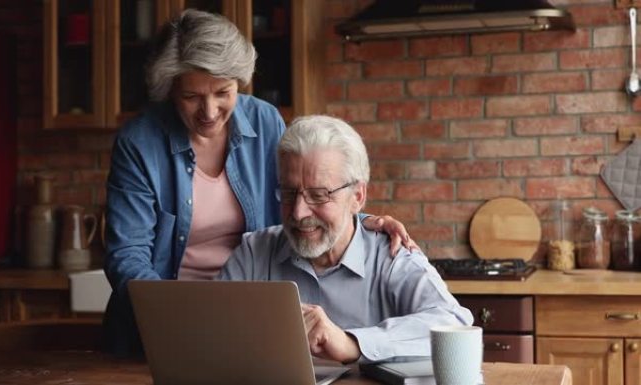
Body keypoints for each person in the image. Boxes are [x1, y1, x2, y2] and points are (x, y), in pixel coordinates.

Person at [103, 9, 415, 356]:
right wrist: (183, 316)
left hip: (251, 321)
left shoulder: (265, 121)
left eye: (223, 92)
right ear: (170, 88)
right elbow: (127, 256)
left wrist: (359, 219)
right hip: (163, 330)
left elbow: (302, 194)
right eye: (191, 96)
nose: (208, 112)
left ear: (240, 80)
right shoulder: (139, 142)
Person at [219, 115, 473, 363]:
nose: (298, 212)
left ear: (358, 197)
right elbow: (210, 331)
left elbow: (453, 322)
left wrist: (352, 343)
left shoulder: (391, 254)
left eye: (318, 195)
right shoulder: (254, 252)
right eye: (288, 192)